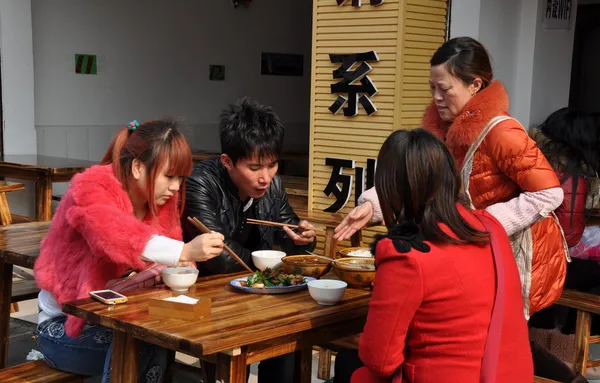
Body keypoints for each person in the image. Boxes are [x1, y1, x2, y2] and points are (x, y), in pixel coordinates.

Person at [334, 37, 579, 383]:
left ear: (475, 84)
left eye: (444, 88)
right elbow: (420, 177)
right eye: (431, 87)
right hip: (467, 241)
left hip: (495, 250)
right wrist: (372, 205)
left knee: (495, 337)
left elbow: (549, 194)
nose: (435, 97)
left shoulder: (503, 132)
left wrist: (484, 224)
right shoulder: (442, 127)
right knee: (488, 340)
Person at [334, 129, 533, 383]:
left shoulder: (408, 255)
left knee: (351, 366)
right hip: (506, 374)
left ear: (388, 188)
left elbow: (380, 360)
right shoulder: (491, 229)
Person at [34, 119, 225, 382]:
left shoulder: (162, 199)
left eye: (181, 178)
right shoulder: (91, 186)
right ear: (137, 167)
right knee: (144, 344)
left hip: (122, 316)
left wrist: (183, 264)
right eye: (169, 176)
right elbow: (113, 235)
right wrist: (184, 251)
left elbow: (174, 258)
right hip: (64, 327)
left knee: (160, 339)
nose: (176, 187)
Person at [183, 97, 316, 383]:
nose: (265, 178)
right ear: (227, 161)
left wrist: (303, 239)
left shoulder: (273, 185)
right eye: (254, 168)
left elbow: (287, 231)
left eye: (272, 165)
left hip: (258, 292)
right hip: (210, 297)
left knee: (289, 330)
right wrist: (269, 271)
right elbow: (220, 258)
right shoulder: (201, 183)